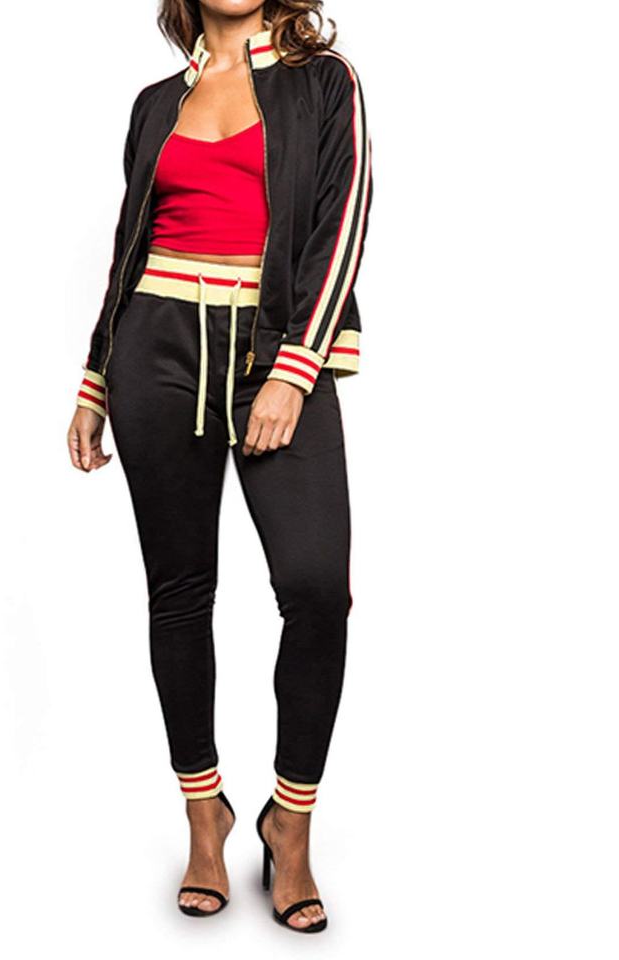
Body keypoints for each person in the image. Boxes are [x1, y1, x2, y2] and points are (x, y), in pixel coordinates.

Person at [68, 0, 372, 933]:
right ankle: (206, 817)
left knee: (316, 589)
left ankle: (291, 823)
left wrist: (295, 367)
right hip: (154, 352)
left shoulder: (326, 83)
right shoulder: (156, 102)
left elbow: (342, 223)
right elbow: (128, 247)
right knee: (178, 592)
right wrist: (94, 378)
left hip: (276, 350)